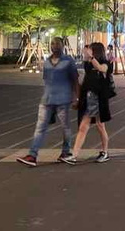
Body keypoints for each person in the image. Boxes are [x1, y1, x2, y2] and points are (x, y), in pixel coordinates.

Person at [16, 37, 79, 167]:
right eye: (52, 43)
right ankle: (32, 155)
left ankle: (65, 152)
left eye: (57, 43)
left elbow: (75, 81)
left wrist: (76, 98)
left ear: (63, 45)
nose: (54, 46)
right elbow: (46, 80)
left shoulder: (68, 61)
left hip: (63, 99)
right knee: (40, 128)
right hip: (47, 99)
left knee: (65, 127)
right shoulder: (47, 62)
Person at [64, 42, 113, 165]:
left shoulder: (105, 64)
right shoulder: (87, 65)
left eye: (89, 50)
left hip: (98, 100)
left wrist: (91, 58)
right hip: (88, 99)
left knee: (100, 126)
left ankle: (104, 152)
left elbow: (102, 69)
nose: (86, 53)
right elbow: (84, 83)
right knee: (83, 127)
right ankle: (74, 155)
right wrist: (78, 98)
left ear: (95, 52)